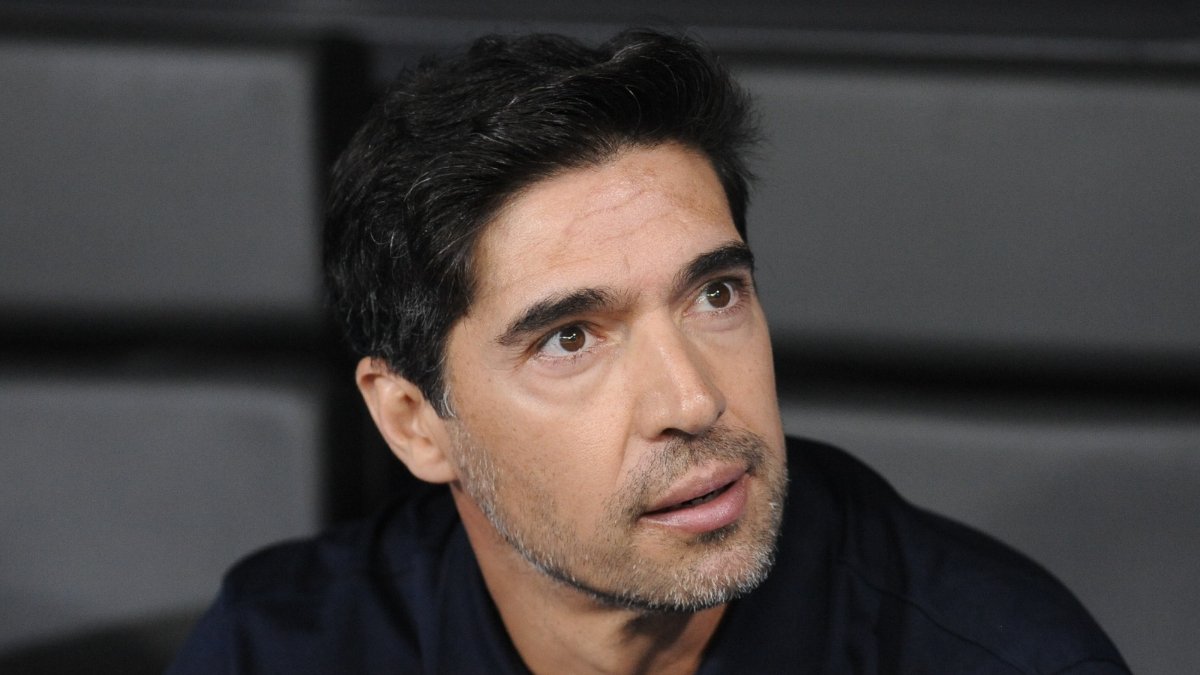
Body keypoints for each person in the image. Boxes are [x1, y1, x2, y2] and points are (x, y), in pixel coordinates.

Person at [169, 29, 1128, 674]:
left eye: (715, 294)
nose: (695, 399)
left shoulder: (999, 653)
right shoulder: (283, 645)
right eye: (570, 338)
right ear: (416, 422)